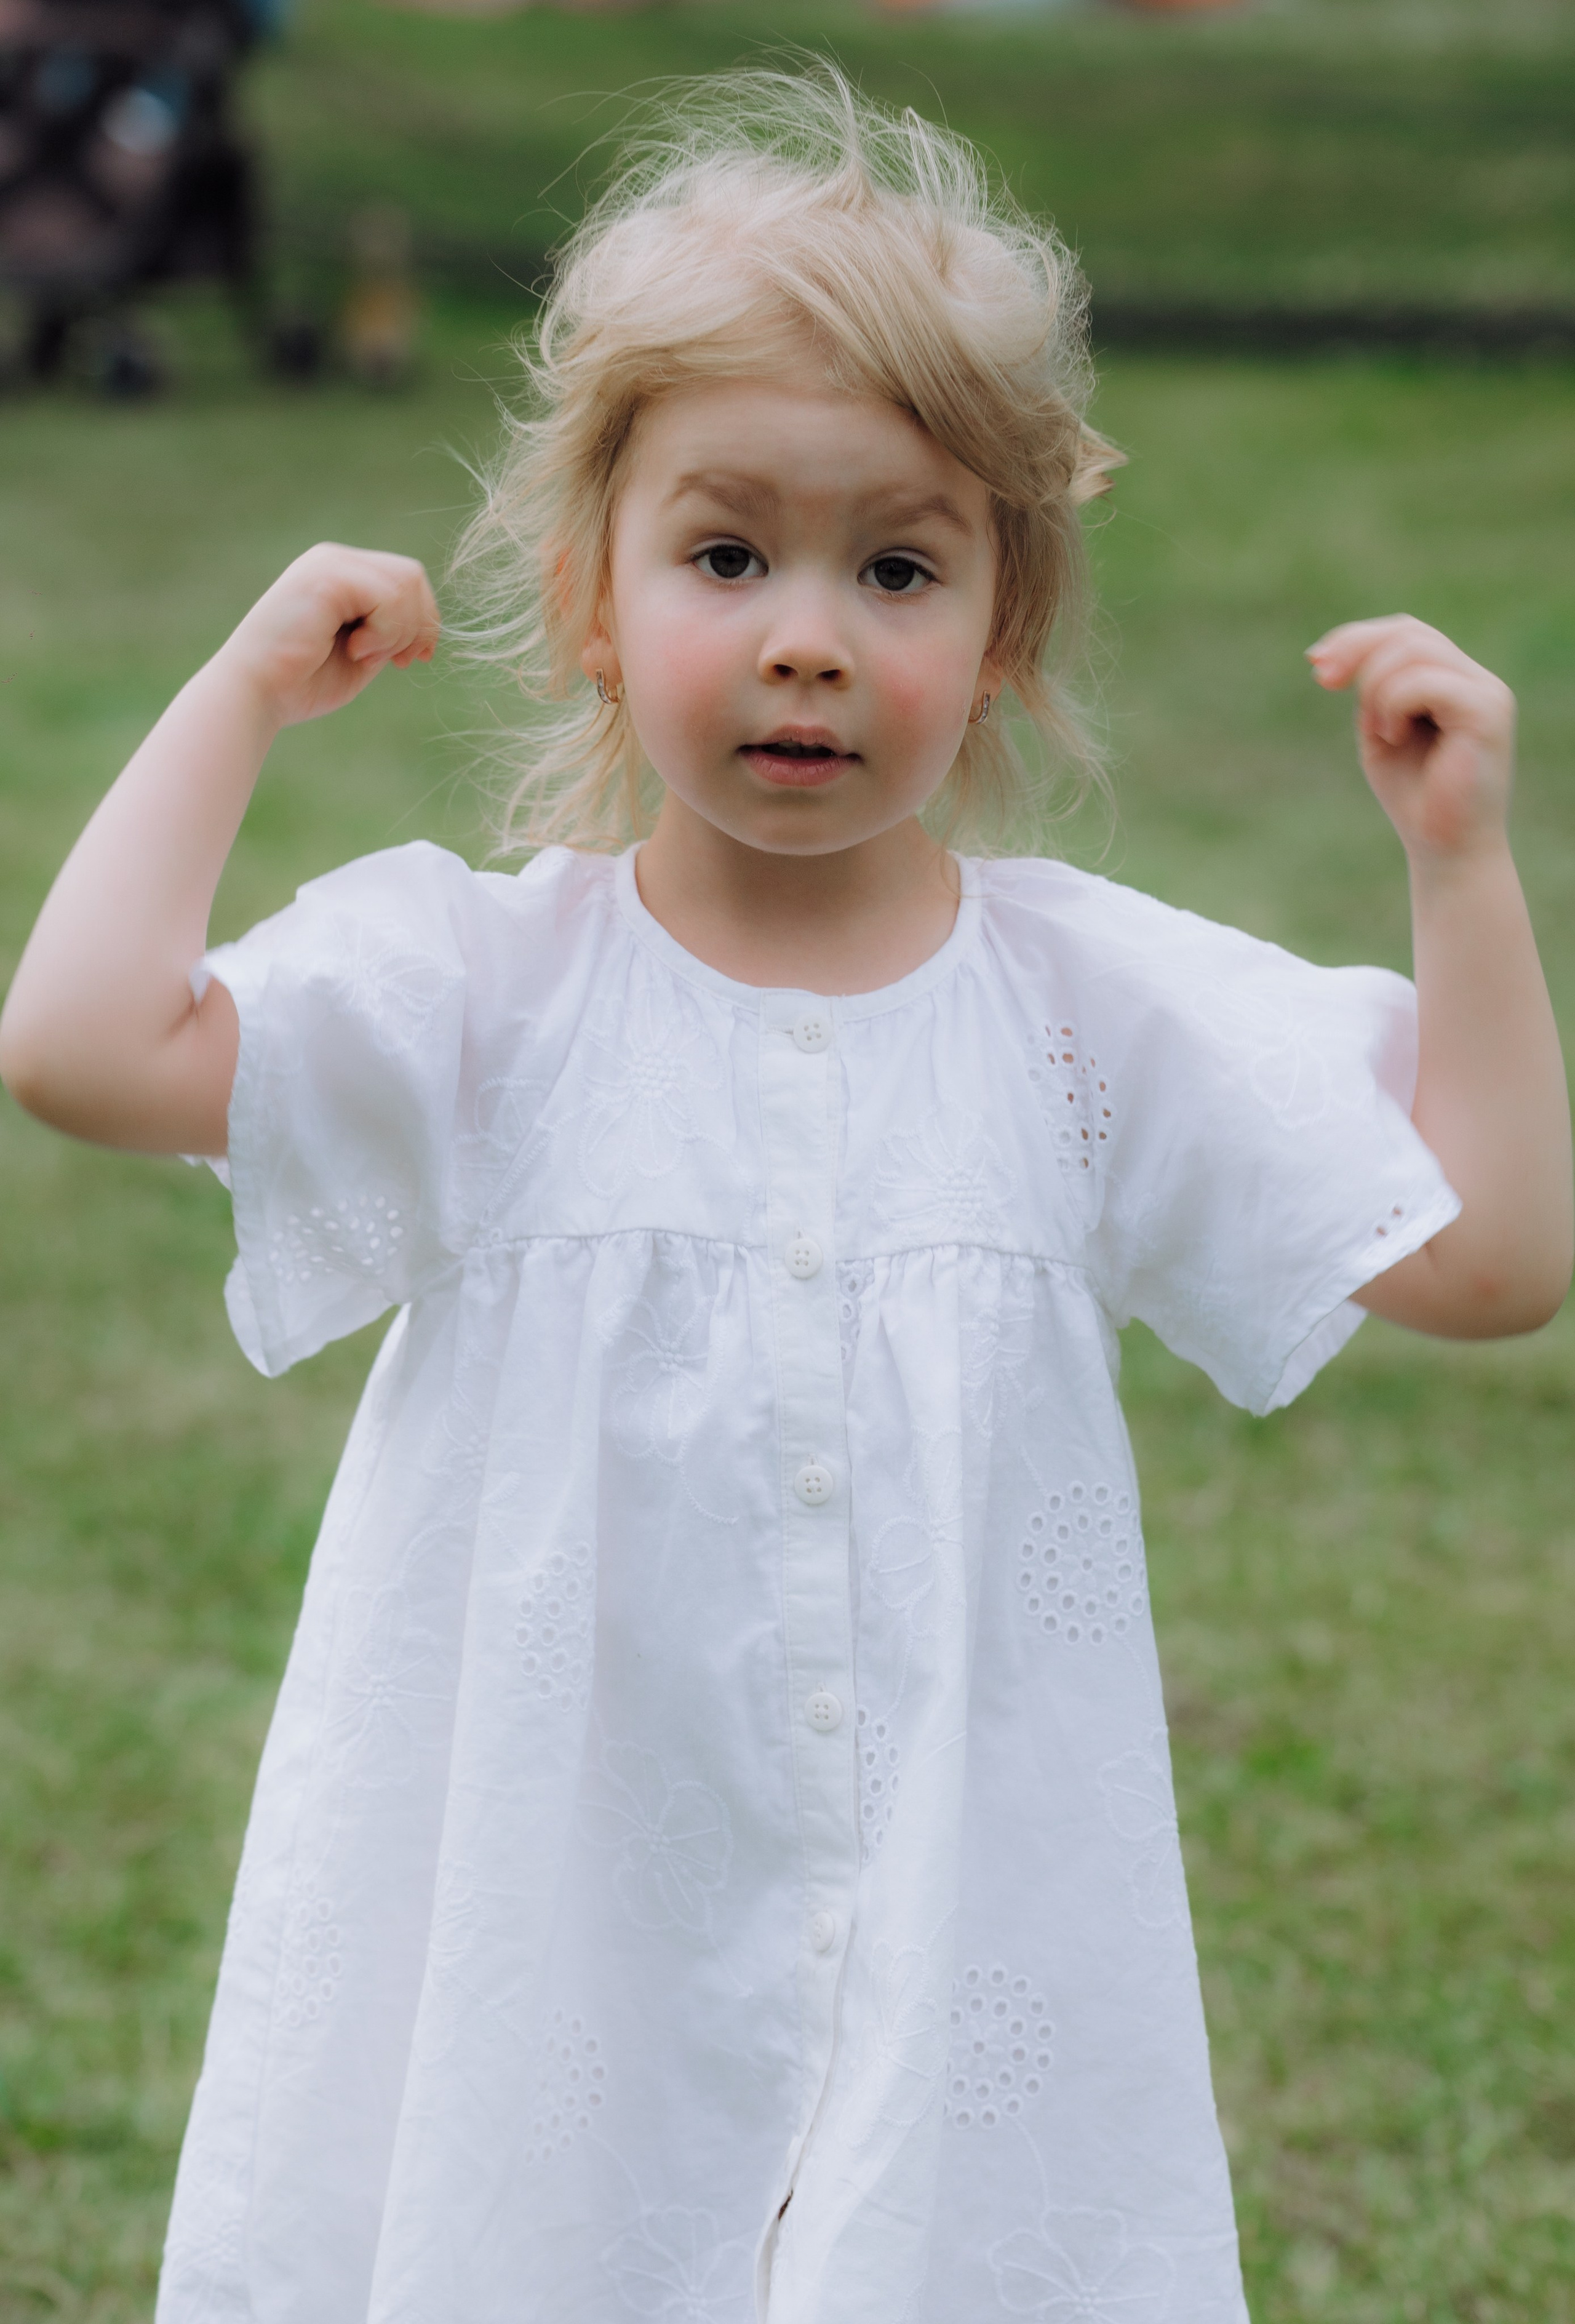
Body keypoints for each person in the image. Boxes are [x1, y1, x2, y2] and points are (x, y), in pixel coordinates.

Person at [1, 66, 1568, 2324]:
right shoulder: (489, 990)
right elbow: (75, 1046)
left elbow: (1495, 1257)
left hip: (955, 1921)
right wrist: (243, 693)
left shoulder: (1081, 1013)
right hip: (562, 1912)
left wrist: (1462, 870)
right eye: (727, 555)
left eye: (900, 565)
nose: (810, 632)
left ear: (1006, 626)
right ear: (591, 598)